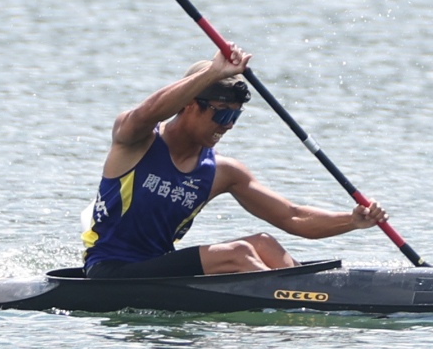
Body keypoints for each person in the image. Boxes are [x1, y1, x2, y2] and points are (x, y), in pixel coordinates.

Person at [81, 50, 390, 278]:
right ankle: (290, 301)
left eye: (235, 116)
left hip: (158, 266)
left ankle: (313, 294)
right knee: (238, 253)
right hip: (110, 270)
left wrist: (352, 220)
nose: (228, 125)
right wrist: (211, 73)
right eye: (223, 113)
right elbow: (146, 113)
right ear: (189, 105)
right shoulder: (136, 140)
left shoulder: (222, 172)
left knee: (264, 244)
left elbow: (293, 216)